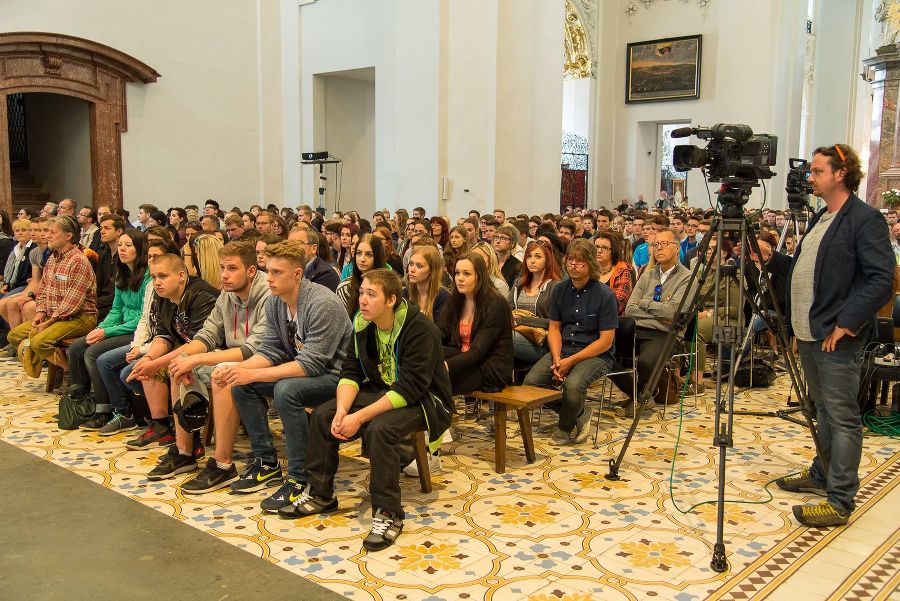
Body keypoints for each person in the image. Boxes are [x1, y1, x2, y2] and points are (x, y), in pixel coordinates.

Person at [777, 143, 894, 527]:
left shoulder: (864, 218)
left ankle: (840, 497)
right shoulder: (820, 217)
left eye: (817, 171)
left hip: (836, 335)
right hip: (811, 331)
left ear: (840, 173)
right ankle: (821, 473)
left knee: (842, 415)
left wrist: (847, 322)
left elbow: (881, 279)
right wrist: (798, 326)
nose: (810, 178)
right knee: (822, 409)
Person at [294, 269, 452, 551]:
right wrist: (343, 410)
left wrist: (359, 417)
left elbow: (411, 388)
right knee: (323, 415)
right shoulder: (362, 323)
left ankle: (388, 513)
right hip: (384, 389)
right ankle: (320, 494)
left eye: (371, 294)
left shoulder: (420, 329)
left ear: (391, 300)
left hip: (425, 399)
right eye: (361, 292)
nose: (362, 300)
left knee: (382, 429)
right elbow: (351, 371)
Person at [212, 241, 351, 512]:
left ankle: (300, 478)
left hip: (337, 377)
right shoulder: (277, 303)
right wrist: (240, 371)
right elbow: (271, 349)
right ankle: (267, 463)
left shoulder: (321, 303)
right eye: (269, 271)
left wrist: (252, 373)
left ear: (298, 274)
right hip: (305, 371)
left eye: (277, 273)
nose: (270, 279)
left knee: (286, 390)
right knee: (242, 386)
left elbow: (310, 365)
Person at [146, 242, 271, 488]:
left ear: (251, 271)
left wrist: (200, 358)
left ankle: (223, 464)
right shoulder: (227, 294)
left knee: (222, 375)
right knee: (179, 366)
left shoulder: (268, 294)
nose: (224, 275)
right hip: (233, 355)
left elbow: (254, 348)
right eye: (222, 267)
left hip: (264, 359)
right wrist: (184, 358)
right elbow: (207, 334)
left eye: (232, 268)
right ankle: (185, 452)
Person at [523, 239, 618, 444]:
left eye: (580, 261)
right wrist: (557, 357)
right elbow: (555, 328)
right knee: (531, 383)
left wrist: (571, 361)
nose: (574, 265)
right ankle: (579, 412)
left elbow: (605, 341)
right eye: (570, 261)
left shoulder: (605, 295)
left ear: (591, 264)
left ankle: (564, 427)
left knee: (573, 386)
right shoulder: (560, 290)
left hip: (595, 354)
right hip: (564, 348)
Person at [124, 254, 219, 450]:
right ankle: (161, 426)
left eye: (163, 276)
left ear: (182, 276)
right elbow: (163, 336)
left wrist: (156, 363)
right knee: (145, 365)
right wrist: (149, 358)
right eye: (154, 277)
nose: (157, 283)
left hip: (213, 351)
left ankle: (190, 441)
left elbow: (198, 343)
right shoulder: (163, 297)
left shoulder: (201, 295)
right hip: (185, 348)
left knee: (176, 367)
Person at [70, 230, 151, 430]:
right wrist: (100, 328)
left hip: (138, 332)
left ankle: (110, 410)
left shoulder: (148, 277)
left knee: (93, 354)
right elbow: (116, 310)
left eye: (128, 245)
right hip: (121, 327)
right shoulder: (121, 273)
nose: (122, 249)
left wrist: (107, 333)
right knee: (77, 346)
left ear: (140, 249)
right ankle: (81, 403)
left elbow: (143, 318)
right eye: (121, 245)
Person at [610, 228, 692, 418]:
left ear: (676, 248)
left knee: (646, 363)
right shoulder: (648, 275)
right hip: (636, 328)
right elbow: (630, 308)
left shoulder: (687, 277)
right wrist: (658, 309)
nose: (659, 248)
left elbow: (673, 312)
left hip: (664, 333)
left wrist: (645, 303)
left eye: (664, 244)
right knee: (602, 352)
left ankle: (642, 395)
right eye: (656, 244)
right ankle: (641, 395)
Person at [7, 216, 98, 378]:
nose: (48, 235)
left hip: (80, 317)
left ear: (68, 236)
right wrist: (41, 312)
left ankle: (70, 372)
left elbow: (72, 303)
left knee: (38, 341)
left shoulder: (78, 261)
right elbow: (42, 291)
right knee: (14, 336)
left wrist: (48, 322)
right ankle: (61, 365)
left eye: (52, 232)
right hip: (55, 316)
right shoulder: (52, 258)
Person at [440, 253, 513, 395]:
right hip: (465, 355)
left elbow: (478, 351)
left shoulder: (494, 303)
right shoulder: (456, 299)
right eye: (457, 273)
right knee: (427, 360)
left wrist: (445, 365)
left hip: (489, 365)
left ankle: (442, 415)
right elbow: (441, 333)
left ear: (479, 276)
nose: (460, 278)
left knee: (437, 378)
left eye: (466, 274)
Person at [508, 240, 562, 364]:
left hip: (541, 342)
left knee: (503, 337)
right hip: (518, 332)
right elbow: (507, 310)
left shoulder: (555, 286)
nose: (532, 261)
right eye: (529, 256)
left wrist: (522, 320)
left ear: (548, 260)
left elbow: (555, 323)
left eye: (538, 257)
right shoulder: (519, 283)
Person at [336, 234, 387, 317]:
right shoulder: (345, 288)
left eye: (368, 255)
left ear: (378, 257)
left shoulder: (388, 285)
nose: (362, 259)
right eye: (359, 253)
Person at [405, 245, 449, 320]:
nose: (412, 269)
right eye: (411, 264)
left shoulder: (443, 297)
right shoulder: (405, 293)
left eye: (419, 266)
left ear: (432, 270)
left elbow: (439, 330)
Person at [287, 227, 339, 292]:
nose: (291, 248)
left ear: (313, 248)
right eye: (289, 244)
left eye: (298, 243)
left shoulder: (326, 275)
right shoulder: (288, 269)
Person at [594, 231, 634, 315]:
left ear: (613, 251)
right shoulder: (589, 269)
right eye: (596, 247)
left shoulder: (622, 272)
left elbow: (617, 306)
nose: (599, 251)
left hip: (609, 321)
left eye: (604, 248)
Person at [493, 223, 522, 288]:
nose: (498, 241)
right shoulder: (489, 260)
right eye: (496, 237)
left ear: (512, 243)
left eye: (503, 238)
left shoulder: (518, 266)